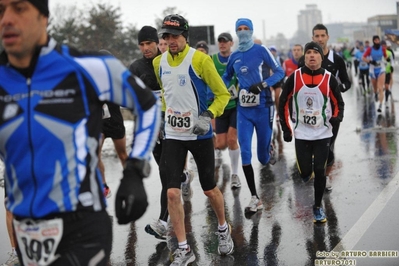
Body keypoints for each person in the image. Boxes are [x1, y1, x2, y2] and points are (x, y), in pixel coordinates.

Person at [0, 1, 160, 265]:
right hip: (27, 231)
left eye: (18, 8)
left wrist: (134, 169)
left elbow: (149, 106)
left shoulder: (88, 66)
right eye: (0, 10)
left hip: (82, 223)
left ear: (43, 17)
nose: (6, 19)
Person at [153, 14, 233, 265]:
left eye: (174, 36)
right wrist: (164, 120)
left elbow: (223, 94)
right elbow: (168, 95)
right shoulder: (159, 62)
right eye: (165, 36)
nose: (170, 40)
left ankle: (223, 228)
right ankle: (184, 249)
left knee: (209, 188)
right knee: (173, 193)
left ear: (185, 37)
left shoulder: (200, 60)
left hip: (199, 134)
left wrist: (208, 114)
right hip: (174, 136)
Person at [129, 25, 193, 241]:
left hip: (173, 127)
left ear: (157, 43)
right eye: (142, 44)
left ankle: (162, 222)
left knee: (167, 174)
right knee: (166, 173)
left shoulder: (168, 61)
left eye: (149, 43)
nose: (146, 48)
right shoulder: (135, 68)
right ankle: (183, 177)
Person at [222, 18, 284, 214]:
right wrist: (219, 87)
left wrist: (264, 84)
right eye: (239, 29)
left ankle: (269, 149)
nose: (242, 32)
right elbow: (226, 76)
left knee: (263, 158)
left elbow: (279, 71)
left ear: (251, 30)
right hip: (244, 110)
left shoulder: (261, 50)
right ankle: (254, 198)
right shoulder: (234, 56)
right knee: (246, 153)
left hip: (263, 107)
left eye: (245, 29)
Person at [279, 41, 344, 223]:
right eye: (308, 53)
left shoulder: (329, 78)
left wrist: (336, 118)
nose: (312, 56)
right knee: (305, 173)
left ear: (321, 58)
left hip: (323, 133)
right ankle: (310, 171)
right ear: (304, 57)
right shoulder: (295, 77)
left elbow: (339, 103)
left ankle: (317, 207)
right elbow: (283, 102)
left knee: (320, 171)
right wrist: (286, 128)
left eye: (315, 53)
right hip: (302, 133)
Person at [299, 24, 351, 170]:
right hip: (309, 112)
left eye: (323, 36)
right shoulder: (304, 60)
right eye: (317, 36)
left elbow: (347, 82)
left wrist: (338, 88)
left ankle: (325, 175)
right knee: (312, 147)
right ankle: (317, 173)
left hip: (331, 112)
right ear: (313, 38)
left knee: (327, 147)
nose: (320, 39)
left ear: (328, 37)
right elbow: (296, 86)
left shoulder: (337, 59)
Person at [212, 32, 241, 189]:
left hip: (235, 106)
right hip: (220, 107)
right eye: (220, 42)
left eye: (225, 42)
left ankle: (235, 174)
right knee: (221, 143)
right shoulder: (212, 60)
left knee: (231, 140)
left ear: (231, 43)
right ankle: (219, 152)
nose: (222, 44)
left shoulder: (236, 58)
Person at [98, 50, 128, 199]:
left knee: (122, 155)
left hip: (115, 121)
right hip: (99, 123)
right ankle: (103, 186)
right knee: (95, 154)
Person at [362, 35, 390, 112]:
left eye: (378, 40)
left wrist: (387, 59)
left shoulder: (383, 48)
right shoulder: (369, 49)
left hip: (381, 69)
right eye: (375, 40)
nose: (377, 41)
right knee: (375, 89)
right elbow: (363, 58)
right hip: (372, 70)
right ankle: (375, 94)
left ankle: (380, 105)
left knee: (380, 88)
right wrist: (370, 61)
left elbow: (385, 57)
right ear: (373, 41)